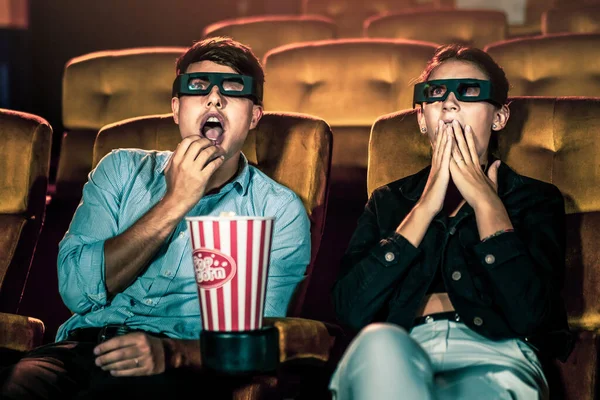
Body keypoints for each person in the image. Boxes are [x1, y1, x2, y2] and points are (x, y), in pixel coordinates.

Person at [0, 37, 310, 399]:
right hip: (78, 351)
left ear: (255, 116)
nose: (214, 99)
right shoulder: (119, 169)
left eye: (232, 89)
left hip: (177, 369)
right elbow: (76, 292)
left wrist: (172, 354)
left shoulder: (278, 210)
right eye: (198, 88)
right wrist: (175, 201)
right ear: (176, 110)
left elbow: (258, 342)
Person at [329, 44, 573, 400]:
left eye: (470, 92)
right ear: (421, 118)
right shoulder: (388, 200)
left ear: (499, 117)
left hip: (497, 352)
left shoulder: (535, 199)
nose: (450, 104)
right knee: (377, 343)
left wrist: (487, 203)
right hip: (400, 348)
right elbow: (350, 309)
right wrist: (426, 206)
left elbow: (532, 316)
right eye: (436, 94)